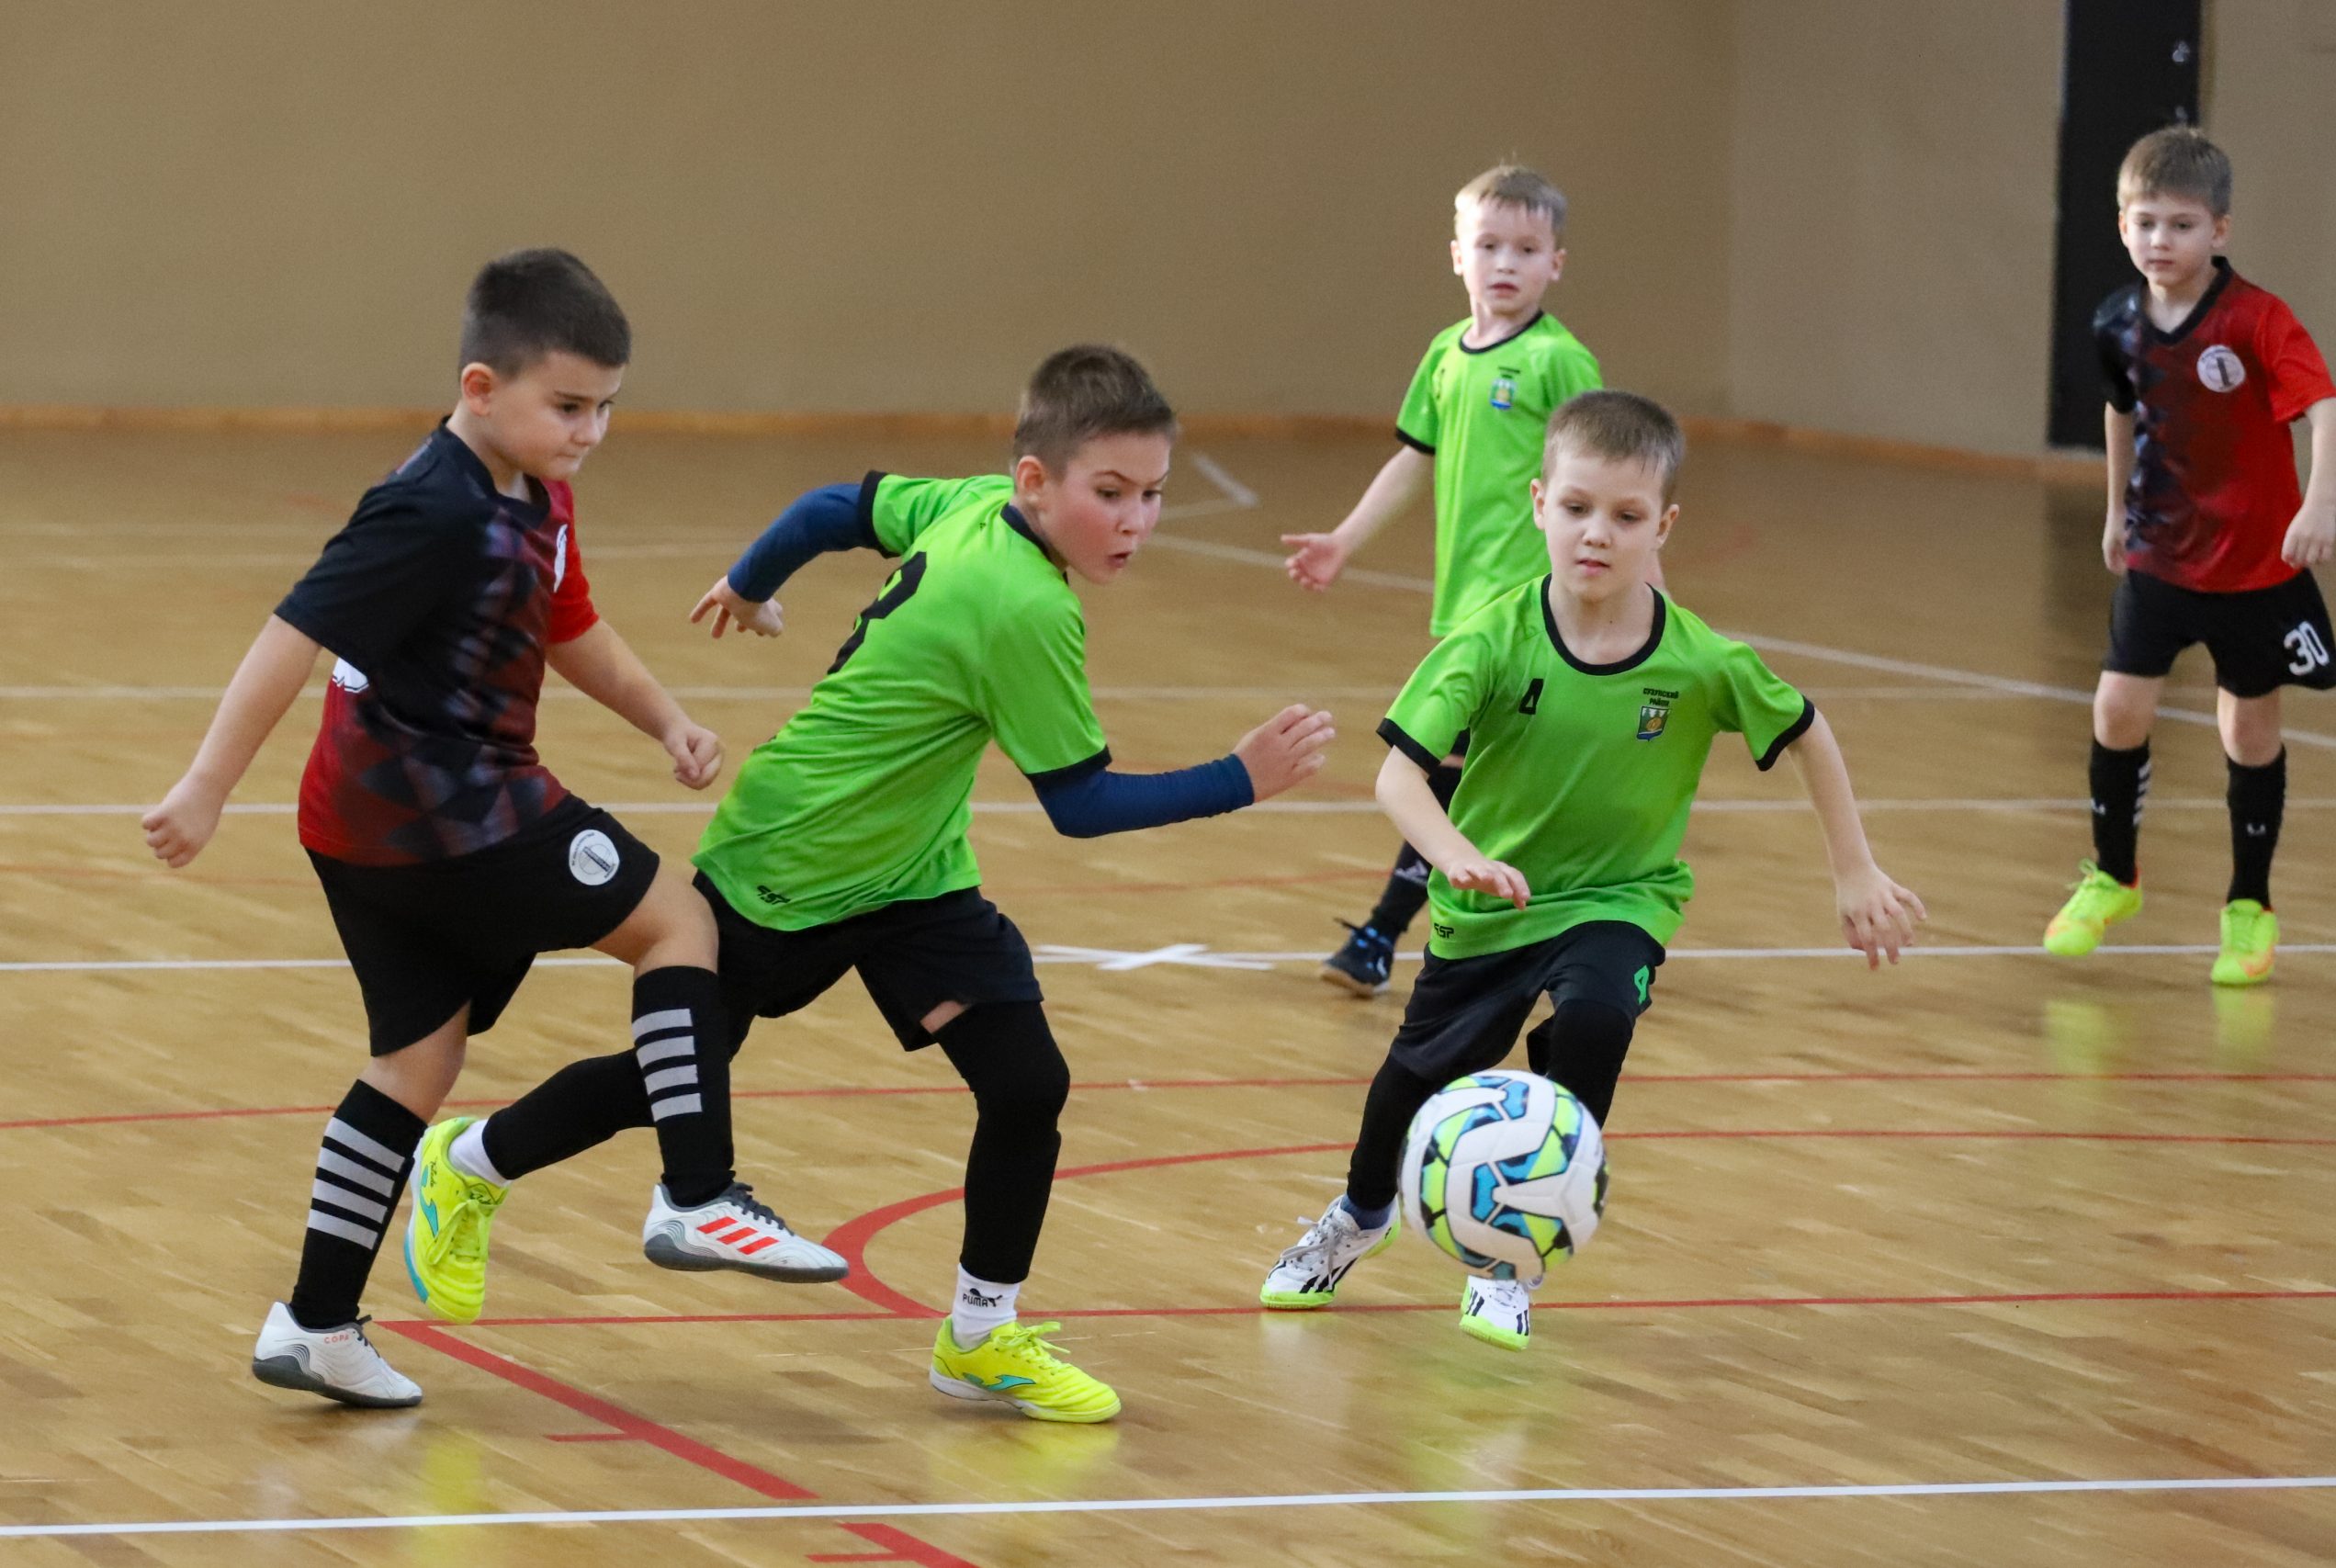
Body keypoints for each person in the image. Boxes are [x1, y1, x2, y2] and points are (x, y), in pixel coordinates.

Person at [417, 345, 1334, 1422]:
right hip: (795, 853)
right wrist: (1240, 778)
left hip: (914, 874)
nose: (1136, 521)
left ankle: (981, 1337)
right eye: (1112, 493)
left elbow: (831, 508)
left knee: (1025, 1084)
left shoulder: (973, 503)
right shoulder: (1023, 605)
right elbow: (1080, 805)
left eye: (1154, 495)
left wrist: (751, 582)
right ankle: (469, 1161)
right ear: (1036, 481)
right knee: (670, 1076)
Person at [141, 249, 838, 1411]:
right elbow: (292, 632)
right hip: (453, 811)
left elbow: (568, 625)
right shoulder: (427, 503)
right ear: (480, 386)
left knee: (417, 1063)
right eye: (568, 407)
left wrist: (665, 718)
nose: (590, 432)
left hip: (360, 827)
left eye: (605, 409)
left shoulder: (535, 491)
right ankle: (696, 1192)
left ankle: (314, 1323)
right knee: (678, 925)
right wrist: (206, 786)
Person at [1258, 390, 1924, 1350]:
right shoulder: (1491, 638)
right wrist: (1458, 856)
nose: (1597, 534)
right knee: (1408, 1084)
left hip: (1621, 898)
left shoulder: (1699, 660)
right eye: (1576, 508)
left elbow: (1808, 731)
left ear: (1664, 527)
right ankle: (1359, 1216)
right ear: (1539, 505)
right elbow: (1398, 775)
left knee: (1599, 1017)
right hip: (1490, 908)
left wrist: (1854, 870)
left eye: (1625, 515)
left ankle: (1510, 1259)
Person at [1282, 164, 1611, 997]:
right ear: (1458, 255)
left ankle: (1382, 935)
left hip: (1536, 605)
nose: (1506, 263)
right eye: (1489, 245)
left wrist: (1638, 593)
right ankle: (1559, 925)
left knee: (1448, 768)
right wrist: (1344, 540)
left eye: (1527, 249)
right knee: (1483, 776)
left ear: (1555, 265)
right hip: (1465, 604)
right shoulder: (1445, 354)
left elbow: (1611, 477)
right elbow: (1413, 459)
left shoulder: (1558, 361)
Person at [2042, 126, 2336, 986]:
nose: (2160, 241)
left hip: (2253, 566)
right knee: (2116, 709)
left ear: (2220, 230)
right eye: (2145, 223)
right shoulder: (2116, 321)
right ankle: (2113, 876)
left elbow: (2327, 410)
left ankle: (2249, 906)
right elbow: (2121, 410)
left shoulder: (2256, 320)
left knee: (2247, 729)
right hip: (2160, 554)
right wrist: (2115, 510)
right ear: (2122, 225)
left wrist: (2320, 502)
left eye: (2181, 225)